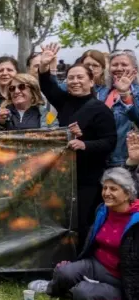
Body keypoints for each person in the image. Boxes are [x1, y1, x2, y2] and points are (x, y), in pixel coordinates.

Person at [38, 43, 117, 242]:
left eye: (80, 77)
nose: (74, 81)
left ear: (92, 81)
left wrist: (85, 144)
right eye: (71, 77)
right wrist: (44, 66)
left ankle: (81, 265)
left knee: (82, 224)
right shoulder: (65, 101)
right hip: (65, 178)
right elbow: (48, 86)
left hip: (89, 180)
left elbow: (110, 142)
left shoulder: (100, 109)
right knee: (62, 222)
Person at [29, 168, 139, 300]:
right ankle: (53, 288)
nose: (106, 193)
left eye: (113, 189)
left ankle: (122, 297)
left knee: (82, 292)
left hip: (123, 279)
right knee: (64, 272)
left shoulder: (136, 221)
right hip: (97, 264)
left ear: (128, 194)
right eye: (104, 188)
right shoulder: (103, 210)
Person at [95, 50, 139, 166]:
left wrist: (125, 95)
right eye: (114, 65)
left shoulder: (137, 93)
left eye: (124, 64)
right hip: (97, 159)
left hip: (124, 161)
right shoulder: (100, 92)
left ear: (135, 69)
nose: (118, 68)